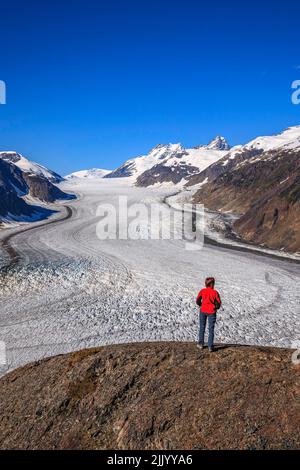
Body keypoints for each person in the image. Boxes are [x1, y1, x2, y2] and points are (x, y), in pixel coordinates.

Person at [196, 277, 221, 352]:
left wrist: (201, 304)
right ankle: (210, 346)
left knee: (202, 327)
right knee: (211, 329)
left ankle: (200, 344)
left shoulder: (202, 291)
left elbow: (197, 300)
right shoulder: (215, 292)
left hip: (203, 310)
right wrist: (215, 307)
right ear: (212, 284)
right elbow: (218, 303)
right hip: (211, 312)